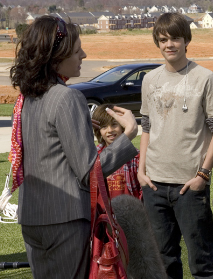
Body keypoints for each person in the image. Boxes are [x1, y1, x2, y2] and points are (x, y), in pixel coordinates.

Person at [9, 15, 139, 278]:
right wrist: (129, 134)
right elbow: (90, 170)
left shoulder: (29, 96)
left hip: (33, 216)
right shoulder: (67, 96)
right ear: (58, 55)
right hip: (64, 218)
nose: (84, 54)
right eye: (77, 49)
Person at [138, 12, 213, 279]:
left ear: (186, 40)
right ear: (157, 42)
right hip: (153, 185)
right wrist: (142, 171)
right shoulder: (150, 80)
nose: (169, 44)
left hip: (189, 186)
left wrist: (203, 174)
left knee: (201, 262)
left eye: (175, 38)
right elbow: (146, 127)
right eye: (163, 39)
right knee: (163, 261)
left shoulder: (205, 78)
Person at [92, 103, 142, 200]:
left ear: (122, 126)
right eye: (104, 127)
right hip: (104, 213)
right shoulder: (94, 157)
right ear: (99, 131)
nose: (110, 130)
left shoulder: (136, 157)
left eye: (114, 124)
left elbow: (141, 190)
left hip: (130, 211)